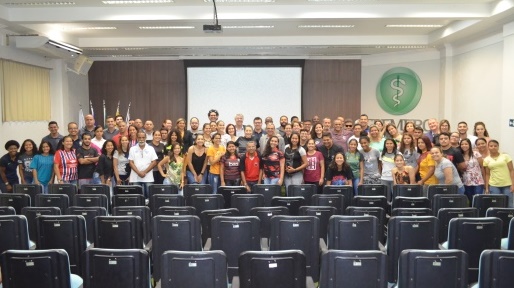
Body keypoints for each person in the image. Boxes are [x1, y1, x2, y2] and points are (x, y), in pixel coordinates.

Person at [484, 140, 514, 207]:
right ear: (488, 147)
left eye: (495, 146)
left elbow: (511, 170)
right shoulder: (486, 159)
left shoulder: (506, 156)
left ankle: (510, 217)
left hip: (507, 184)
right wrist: (486, 188)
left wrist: (513, 184)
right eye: (491, 146)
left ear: (498, 147)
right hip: (494, 185)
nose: (493, 147)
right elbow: (487, 174)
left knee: (509, 204)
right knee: (496, 204)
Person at [128, 131, 158, 198]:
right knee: (136, 197)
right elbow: (130, 162)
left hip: (148, 177)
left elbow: (154, 162)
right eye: (139, 137)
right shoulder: (132, 149)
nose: (141, 139)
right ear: (137, 138)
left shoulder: (151, 148)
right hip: (135, 177)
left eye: (143, 137)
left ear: (146, 138)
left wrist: (144, 172)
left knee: (149, 197)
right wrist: (139, 172)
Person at [460, 138, 485, 203]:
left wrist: (484, 180)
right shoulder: (460, 155)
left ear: (469, 145)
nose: (464, 145)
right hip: (466, 181)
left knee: (478, 199)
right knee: (470, 200)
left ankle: (479, 212)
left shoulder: (476, 153)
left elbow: (482, 167)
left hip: (478, 181)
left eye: (466, 144)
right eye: (462, 144)